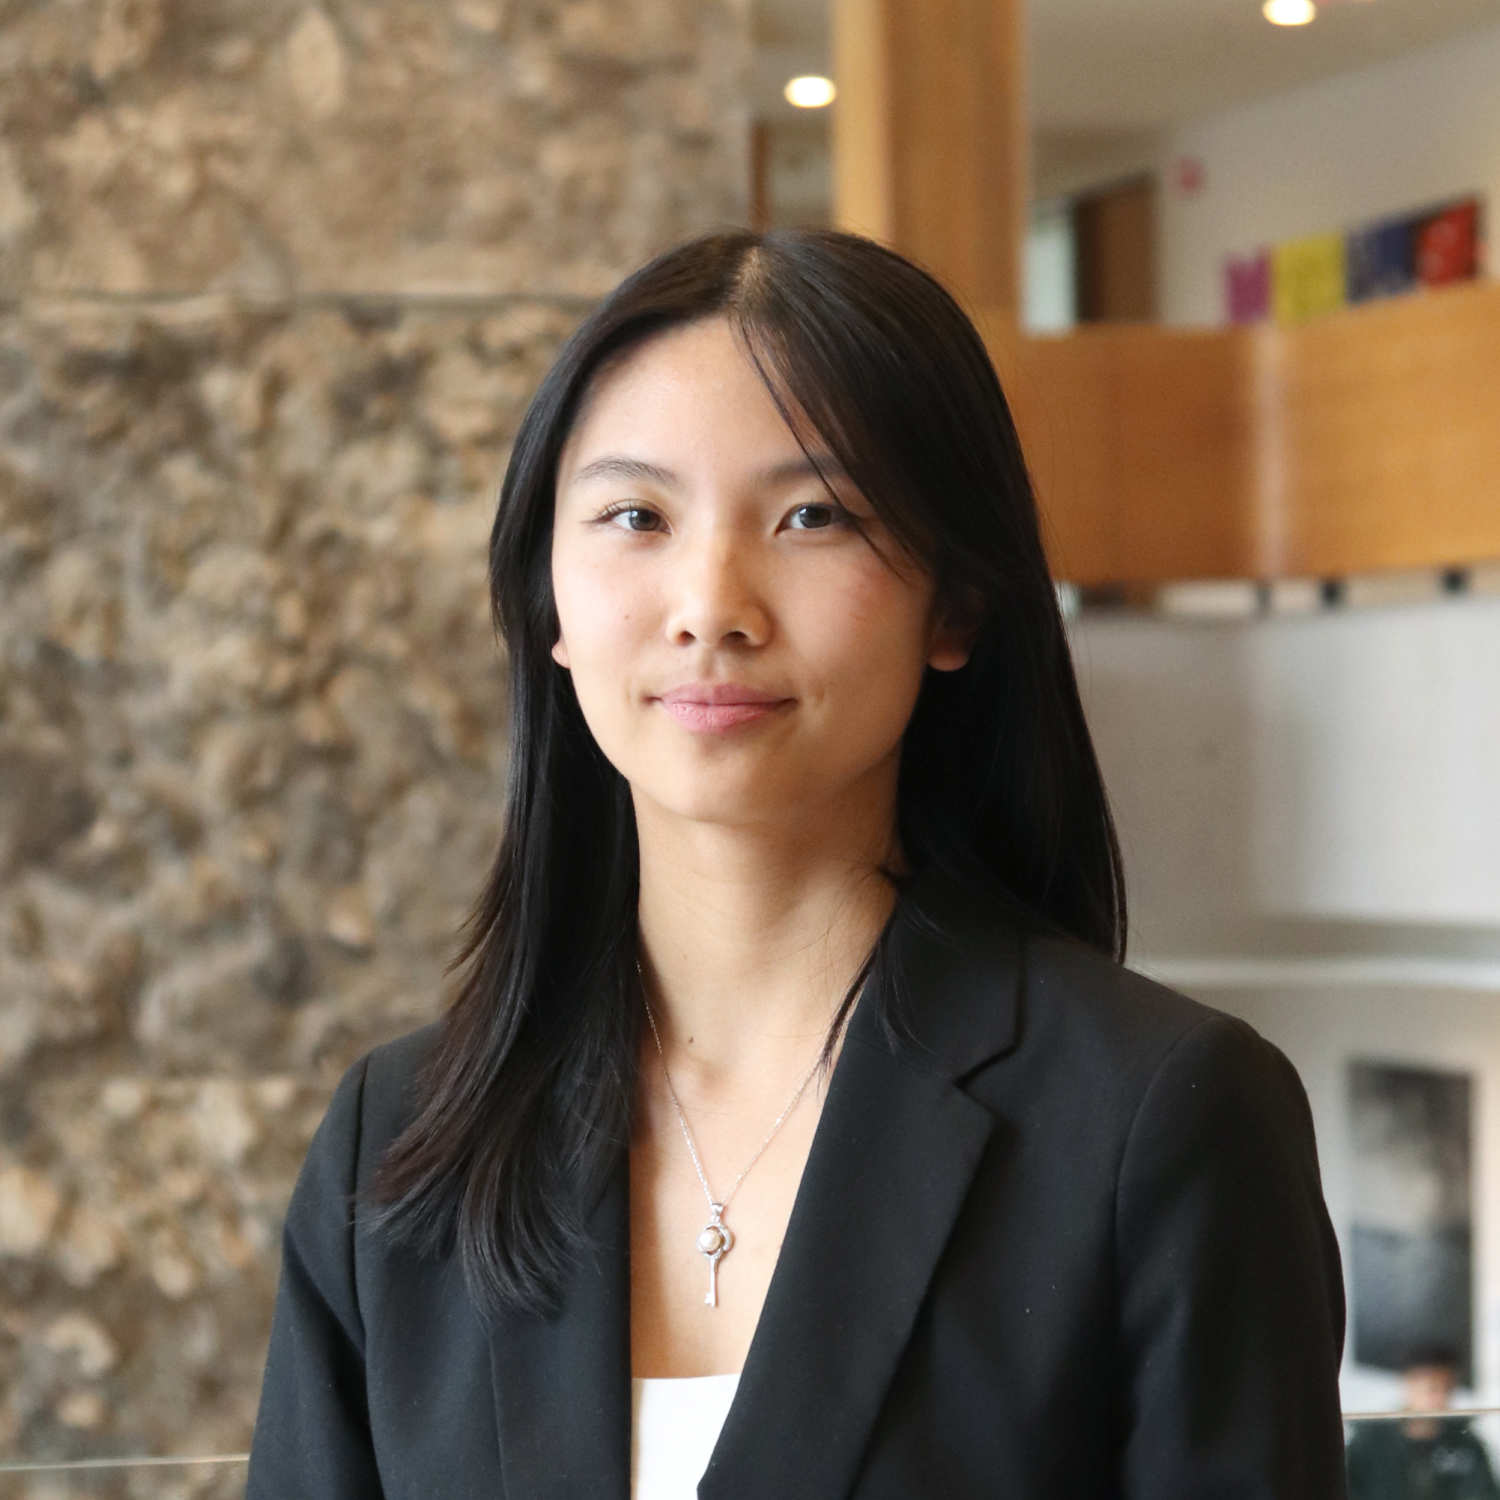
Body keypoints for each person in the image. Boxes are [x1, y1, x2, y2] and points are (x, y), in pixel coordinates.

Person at [245, 229, 1348, 1499]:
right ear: (549, 600)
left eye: (812, 514)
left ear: (956, 606)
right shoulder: (398, 1147)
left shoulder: (1158, 1120)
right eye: (634, 516)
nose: (712, 603)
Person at [1347, 1347, 1500, 1500]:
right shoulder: (1368, 1443)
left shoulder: (1467, 1445)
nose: (1440, 1398)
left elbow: (1486, 1494)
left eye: (1447, 1389)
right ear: (1408, 1385)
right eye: (1431, 1389)